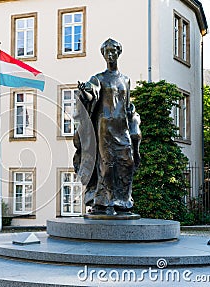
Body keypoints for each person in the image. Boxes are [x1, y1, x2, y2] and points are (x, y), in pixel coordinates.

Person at [73, 38, 141, 216]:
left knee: (127, 162)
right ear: (103, 55)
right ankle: (104, 203)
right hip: (104, 127)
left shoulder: (125, 80)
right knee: (107, 165)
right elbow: (91, 94)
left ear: (119, 53)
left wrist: (135, 127)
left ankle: (123, 202)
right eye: (106, 52)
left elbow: (128, 106)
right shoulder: (99, 78)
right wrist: (84, 92)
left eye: (113, 51)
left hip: (122, 127)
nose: (110, 55)